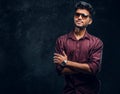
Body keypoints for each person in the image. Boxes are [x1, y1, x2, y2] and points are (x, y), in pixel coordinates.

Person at [53, 1, 103, 94]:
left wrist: (66, 62)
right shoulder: (61, 40)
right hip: (69, 91)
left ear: (90, 21)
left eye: (84, 16)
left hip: (90, 91)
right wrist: (85, 67)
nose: (80, 17)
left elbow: (93, 69)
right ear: (74, 17)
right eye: (77, 14)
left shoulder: (96, 43)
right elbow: (59, 70)